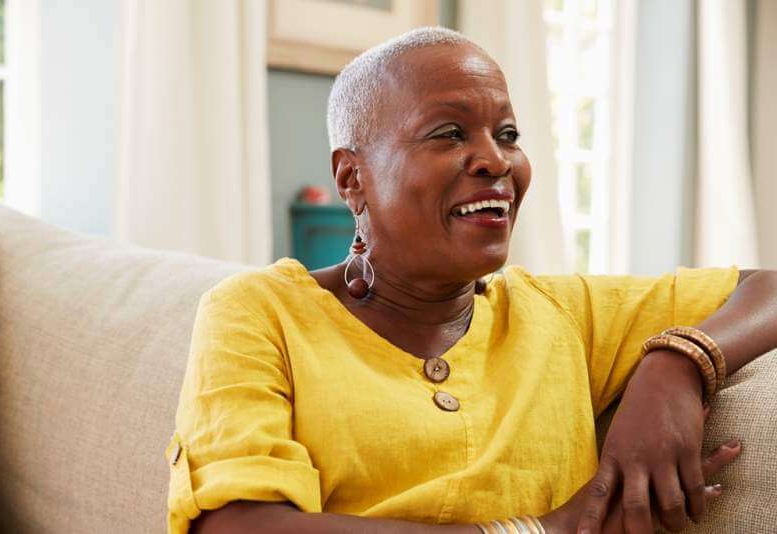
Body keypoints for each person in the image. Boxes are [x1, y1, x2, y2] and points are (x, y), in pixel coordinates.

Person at [165, 27, 777, 534]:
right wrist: (541, 530)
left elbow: (766, 287)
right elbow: (236, 524)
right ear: (352, 179)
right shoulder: (259, 312)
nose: (496, 161)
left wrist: (680, 361)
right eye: (450, 133)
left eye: (507, 134)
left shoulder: (564, 315)